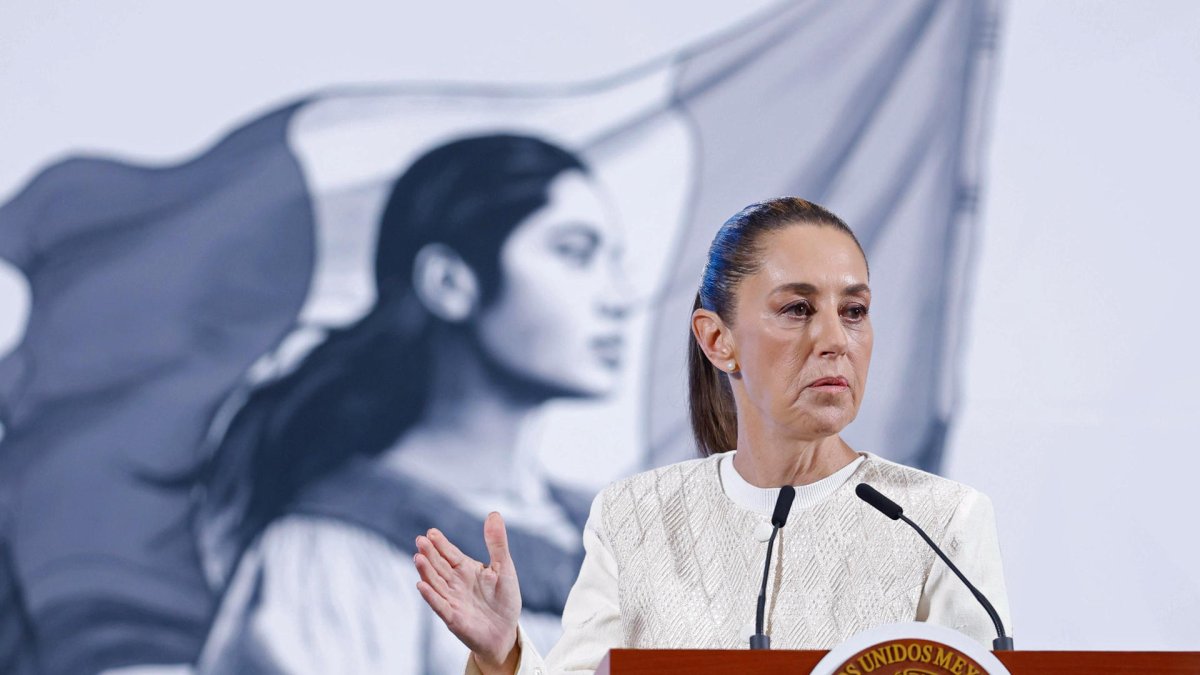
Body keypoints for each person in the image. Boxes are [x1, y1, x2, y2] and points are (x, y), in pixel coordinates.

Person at [413, 197, 1011, 675]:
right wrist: (502, 657)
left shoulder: (940, 522)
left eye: (854, 311)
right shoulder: (633, 516)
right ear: (718, 340)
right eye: (798, 309)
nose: (835, 339)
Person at [194, 133, 628, 674]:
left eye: (614, 261)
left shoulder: (612, 536)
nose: (618, 298)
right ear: (449, 282)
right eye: (573, 253)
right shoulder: (335, 552)